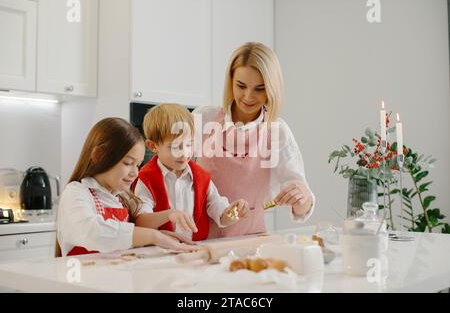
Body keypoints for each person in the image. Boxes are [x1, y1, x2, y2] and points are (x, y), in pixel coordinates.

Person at [193, 42, 316, 238]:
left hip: (250, 242)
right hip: (200, 241)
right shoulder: (204, 119)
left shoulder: (277, 132)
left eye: (259, 89)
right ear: (230, 81)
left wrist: (301, 198)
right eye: (241, 86)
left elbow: (303, 206)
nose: (248, 96)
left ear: (271, 89)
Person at [57, 117, 200, 257]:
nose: (135, 173)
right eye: (127, 163)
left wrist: (159, 237)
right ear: (99, 156)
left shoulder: (122, 199)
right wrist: (153, 236)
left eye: (137, 165)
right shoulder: (76, 192)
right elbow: (91, 232)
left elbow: (124, 239)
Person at [133, 103, 250, 241]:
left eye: (189, 144)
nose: (184, 153)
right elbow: (141, 222)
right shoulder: (146, 179)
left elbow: (221, 215)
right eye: (176, 146)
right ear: (153, 146)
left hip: (195, 250)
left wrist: (234, 213)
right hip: (158, 251)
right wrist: (169, 214)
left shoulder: (201, 177)